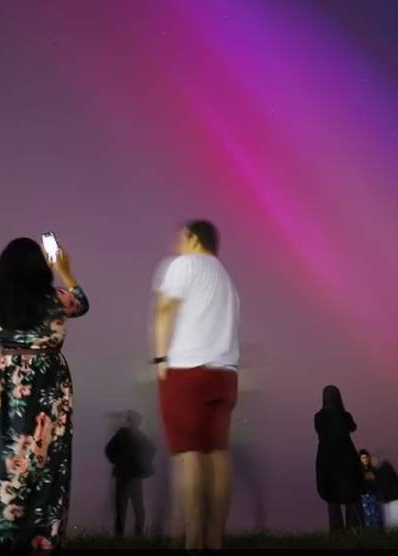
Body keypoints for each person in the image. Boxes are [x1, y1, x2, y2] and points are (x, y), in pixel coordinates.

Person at [0, 237, 89, 550]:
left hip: (8, 382)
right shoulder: (56, 299)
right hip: (48, 381)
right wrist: (65, 270)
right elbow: (82, 303)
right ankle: (39, 536)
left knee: (2, 456)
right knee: (47, 460)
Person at [152, 220, 241, 550]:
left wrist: (160, 358)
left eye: (182, 237)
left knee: (189, 455)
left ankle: (193, 541)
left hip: (188, 370)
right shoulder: (226, 279)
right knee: (218, 453)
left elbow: (164, 310)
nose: (178, 242)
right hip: (225, 373)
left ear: (194, 239)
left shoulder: (184, 264)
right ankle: (215, 539)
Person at [315, 386, 363, 531]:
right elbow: (352, 427)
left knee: (333, 497)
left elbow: (322, 431)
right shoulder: (344, 415)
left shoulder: (320, 416)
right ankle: (351, 530)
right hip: (345, 459)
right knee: (348, 495)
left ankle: (338, 532)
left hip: (329, 459)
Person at [104, 410, 156, 537]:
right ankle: (138, 534)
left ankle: (120, 535)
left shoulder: (123, 434)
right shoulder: (139, 435)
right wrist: (142, 462)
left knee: (122, 506)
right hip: (133, 475)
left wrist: (117, 462)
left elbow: (109, 450)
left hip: (124, 475)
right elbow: (152, 449)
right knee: (137, 506)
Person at [371, 452, 398, 529]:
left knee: (396, 525)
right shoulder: (380, 470)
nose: (373, 463)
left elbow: (383, 484)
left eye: (374, 460)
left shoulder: (385, 468)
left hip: (395, 500)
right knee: (390, 526)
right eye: (372, 461)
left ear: (378, 460)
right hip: (389, 501)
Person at [358, 450, 382, 530]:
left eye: (366, 457)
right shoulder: (359, 471)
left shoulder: (373, 470)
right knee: (366, 518)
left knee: (376, 517)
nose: (365, 459)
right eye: (363, 458)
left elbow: (378, 483)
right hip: (364, 497)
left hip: (374, 496)